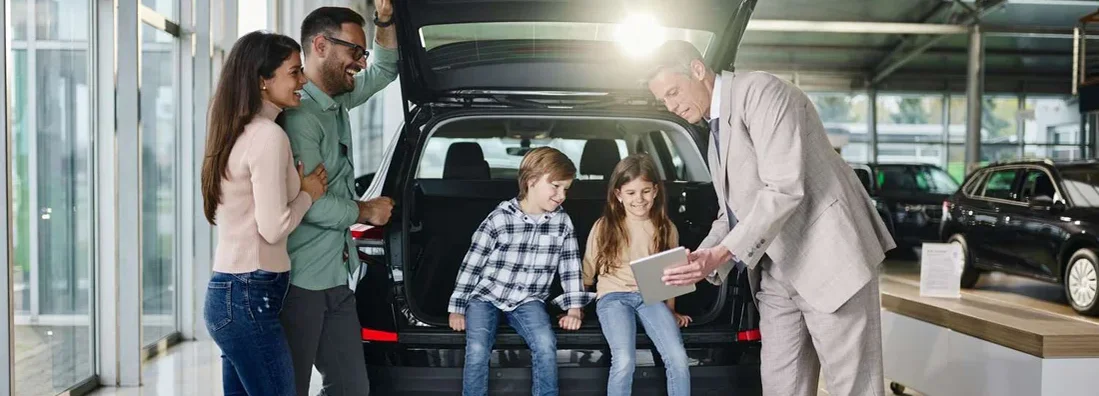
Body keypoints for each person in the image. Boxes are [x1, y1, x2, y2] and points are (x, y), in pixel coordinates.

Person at [646, 40, 895, 396]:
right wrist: (702, 256)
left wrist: (724, 252)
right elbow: (731, 212)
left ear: (698, 70)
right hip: (775, 271)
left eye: (672, 92)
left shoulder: (762, 92)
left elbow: (783, 189)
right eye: (663, 101)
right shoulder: (714, 132)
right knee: (781, 385)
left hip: (829, 258)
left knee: (852, 387)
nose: (671, 106)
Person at [276, 3, 399, 395]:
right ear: (321, 45)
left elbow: (385, 69)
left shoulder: (336, 100)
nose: (361, 63)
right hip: (300, 282)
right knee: (290, 386)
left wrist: (385, 19)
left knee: (349, 386)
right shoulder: (300, 118)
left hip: (337, 276)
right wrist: (366, 210)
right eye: (354, 52)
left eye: (362, 53)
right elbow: (309, 203)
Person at [200, 31, 327, 396]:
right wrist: (308, 194)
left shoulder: (235, 133)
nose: (303, 80)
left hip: (232, 290)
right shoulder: (268, 137)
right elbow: (273, 229)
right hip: (249, 293)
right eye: (294, 72)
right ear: (262, 81)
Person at [447, 147, 595, 396]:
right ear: (531, 181)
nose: (561, 196)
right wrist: (457, 308)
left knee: (546, 344)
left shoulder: (561, 222)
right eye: (556, 187)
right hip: (486, 296)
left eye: (566, 189)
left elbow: (570, 267)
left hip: (528, 300)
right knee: (477, 348)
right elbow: (473, 263)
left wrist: (574, 310)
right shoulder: (500, 218)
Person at [582, 154, 692, 396]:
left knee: (678, 358)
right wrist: (577, 308)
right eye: (631, 193)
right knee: (624, 359)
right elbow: (588, 270)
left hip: (650, 297)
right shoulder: (604, 226)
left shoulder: (666, 228)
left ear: (655, 191)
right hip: (613, 298)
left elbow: (671, 274)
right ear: (618, 195)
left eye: (645, 191)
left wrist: (671, 310)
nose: (639, 199)